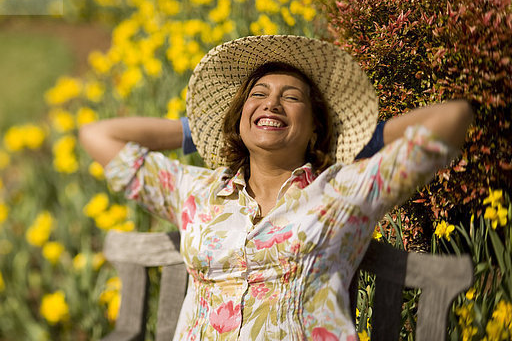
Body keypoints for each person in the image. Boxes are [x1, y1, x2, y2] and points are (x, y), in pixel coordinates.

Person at [79, 35, 474, 340]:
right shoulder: (195, 190)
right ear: (240, 117)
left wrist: (373, 140)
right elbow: (97, 135)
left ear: (316, 126)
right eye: (258, 96)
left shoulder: (346, 191)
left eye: (291, 97)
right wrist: (191, 133)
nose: (271, 105)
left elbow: (452, 117)